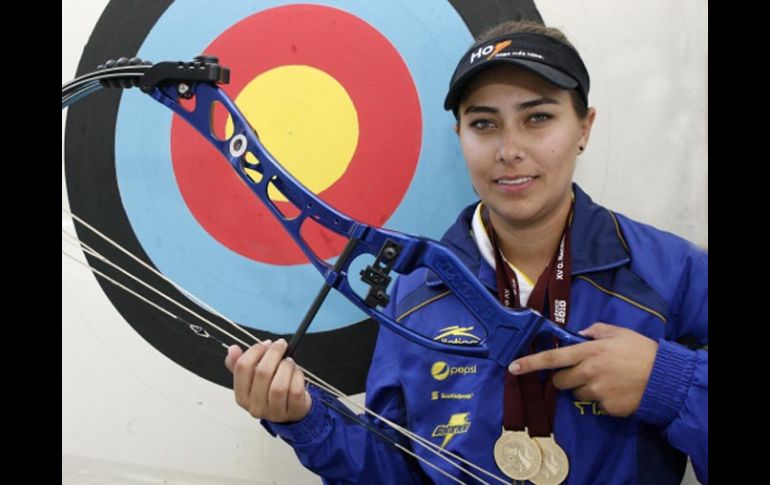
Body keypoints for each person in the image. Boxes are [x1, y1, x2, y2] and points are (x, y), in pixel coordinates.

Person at [224, 20, 707, 485]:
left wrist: (671, 383)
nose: (509, 149)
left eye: (538, 118)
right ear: (460, 136)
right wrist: (307, 422)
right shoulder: (417, 291)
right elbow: (398, 472)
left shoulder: (673, 273)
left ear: (584, 126)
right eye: (484, 123)